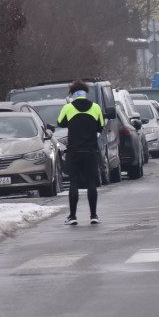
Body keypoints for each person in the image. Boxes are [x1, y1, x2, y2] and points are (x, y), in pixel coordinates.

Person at [57, 80, 104, 225]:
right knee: (91, 182)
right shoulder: (95, 107)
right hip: (90, 150)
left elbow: (60, 122)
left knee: (73, 183)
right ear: (85, 93)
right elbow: (100, 127)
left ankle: (73, 216)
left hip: (74, 151)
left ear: (73, 94)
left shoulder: (68, 107)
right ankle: (94, 216)